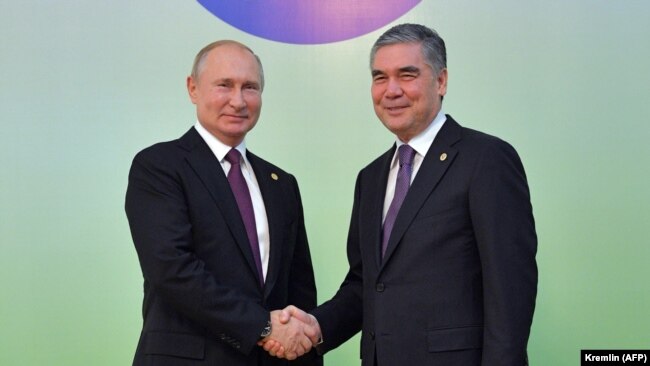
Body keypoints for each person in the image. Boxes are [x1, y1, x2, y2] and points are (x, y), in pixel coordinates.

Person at [263, 23, 538, 365]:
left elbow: (510, 287)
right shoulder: (371, 177)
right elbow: (367, 284)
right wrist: (316, 327)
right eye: (380, 77)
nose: (391, 90)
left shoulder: (486, 159)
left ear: (441, 81)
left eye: (407, 75)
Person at [125, 40, 321, 365]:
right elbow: (172, 269)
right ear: (193, 88)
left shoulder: (281, 184)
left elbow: (299, 291)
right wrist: (263, 326)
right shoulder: (159, 166)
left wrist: (301, 348)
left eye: (250, 87)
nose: (238, 100)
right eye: (224, 85)